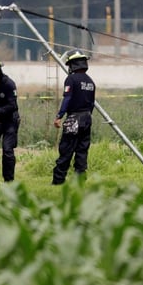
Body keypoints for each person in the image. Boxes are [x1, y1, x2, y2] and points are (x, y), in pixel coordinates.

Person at [52, 49, 96, 185]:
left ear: (73, 65)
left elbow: (67, 98)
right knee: (82, 150)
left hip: (74, 118)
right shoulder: (90, 82)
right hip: (87, 118)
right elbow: (92, 103)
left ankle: (58, 181)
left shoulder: (71, 79)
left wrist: (59, 116)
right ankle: (80, 180)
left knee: (66, 149)